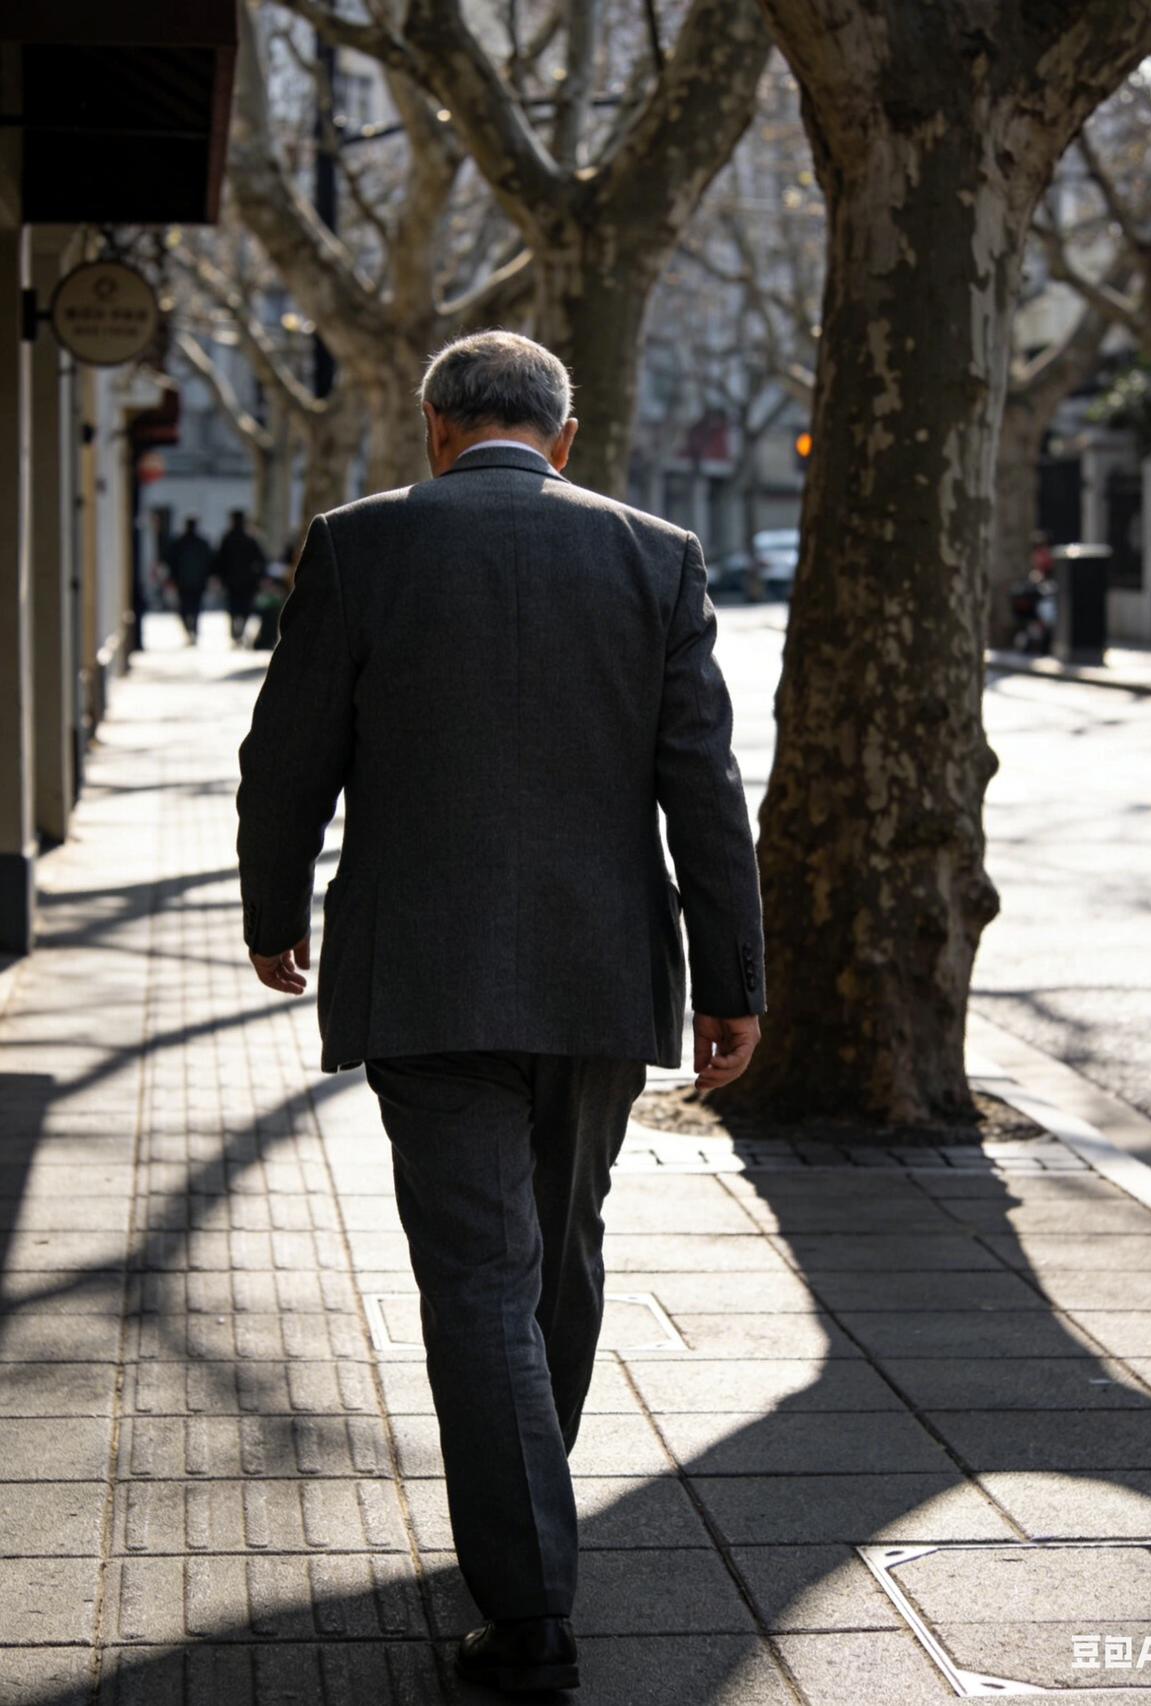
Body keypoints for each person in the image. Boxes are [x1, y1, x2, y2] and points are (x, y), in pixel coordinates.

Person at [235, 329, 765, 1696]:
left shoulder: (357, 547)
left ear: (433, 428)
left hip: (423, 970)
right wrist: (736, 981)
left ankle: (527, 1593)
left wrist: (274, 907)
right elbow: (703, 790)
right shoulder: (656, 554)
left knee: (478, 1272)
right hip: (599, 976)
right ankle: (528, 1506)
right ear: (564, 437)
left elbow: (285, 757)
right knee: (562, 1246)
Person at [213, 509, 268, 644]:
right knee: (245, 607)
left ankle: (235, 631)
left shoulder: (228, 538)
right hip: (247, 581)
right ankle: (240, 630)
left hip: (231, 580)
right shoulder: (250, 538)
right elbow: (261, 559)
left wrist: (219, 576)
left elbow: (219, 560)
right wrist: (259, 576)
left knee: (233, 606)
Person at [162, 516, 213, 644]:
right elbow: (210, 562)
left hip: (184, 582)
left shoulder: (180, 543)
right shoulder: (201, 543)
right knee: (194, 607)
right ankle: (193, 630)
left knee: (185, 608)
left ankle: (190, 630)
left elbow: (170, 561)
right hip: (195, 582)